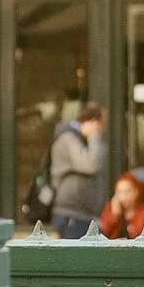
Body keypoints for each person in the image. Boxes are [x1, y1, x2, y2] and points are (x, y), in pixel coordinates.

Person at [46, 99, 110, 240]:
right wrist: (94, 136)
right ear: (93, 121)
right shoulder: (68, 138)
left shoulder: (84, 140)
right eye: (102, 124)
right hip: (73, 216)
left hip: (87, 216)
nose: (103, 129)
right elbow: (91, 164)